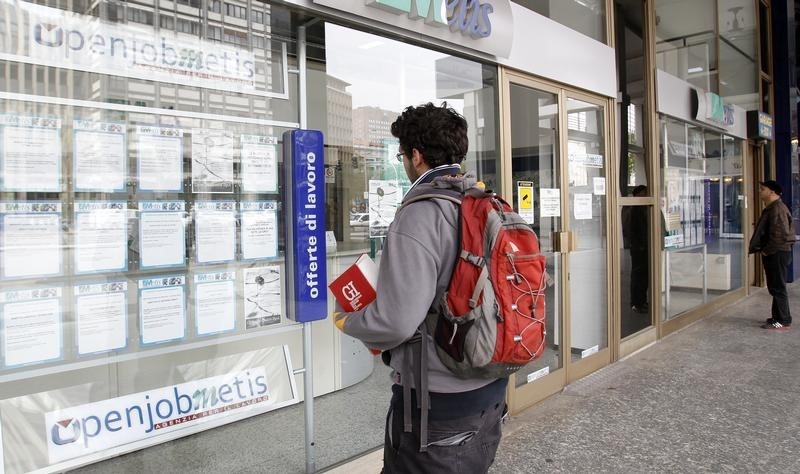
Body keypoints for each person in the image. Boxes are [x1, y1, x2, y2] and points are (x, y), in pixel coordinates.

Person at [333, 102, 507, 473]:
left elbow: (395, 322)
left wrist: (349, 321)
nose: (404, 163)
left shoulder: (420, 214)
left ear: (416, 155)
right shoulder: (484, 203)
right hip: (490, 390)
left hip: (437, 409)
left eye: (402, 155)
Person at [749, 180, 795, 330]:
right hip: (777, 252)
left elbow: (780, 235)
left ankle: (782, 320)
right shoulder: (772, 207)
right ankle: (778, 317)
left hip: (777, 253)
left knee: (778, 287)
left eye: (762, 189)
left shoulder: (777, 209)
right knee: (775, 287)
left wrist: (766, 250)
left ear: (772, 192)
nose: (759, 192)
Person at [622, 185, 650, 314]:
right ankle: (636, 303)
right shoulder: (635, 209)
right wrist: (640, 245)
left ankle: (642, 301)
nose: (645, 196)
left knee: (643, 276)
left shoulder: (642, 208)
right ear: (638, 195)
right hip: (639, 248)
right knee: (638, 276)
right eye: (643, 194)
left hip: (642, 247)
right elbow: (632, 230)